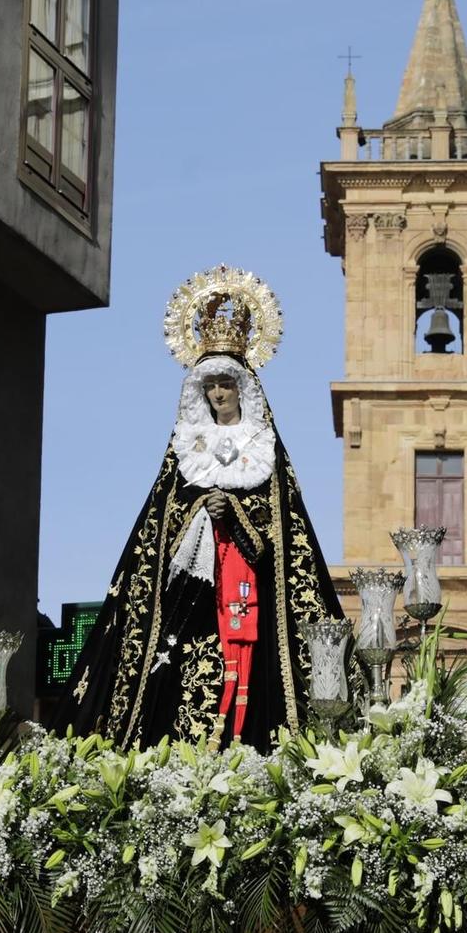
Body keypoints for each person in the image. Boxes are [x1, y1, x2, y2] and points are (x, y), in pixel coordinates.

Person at [56, 267, 346, 750]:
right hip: (190, 605)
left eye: (225, 386)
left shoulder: (263, 450)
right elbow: (156, 534)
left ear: (242, 388)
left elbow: (285, 541)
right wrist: (197, 515)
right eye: (210, 385)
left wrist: (232, 512)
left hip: (247, 598)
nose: (217, 394)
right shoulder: (185, 452)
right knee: (175, 685)